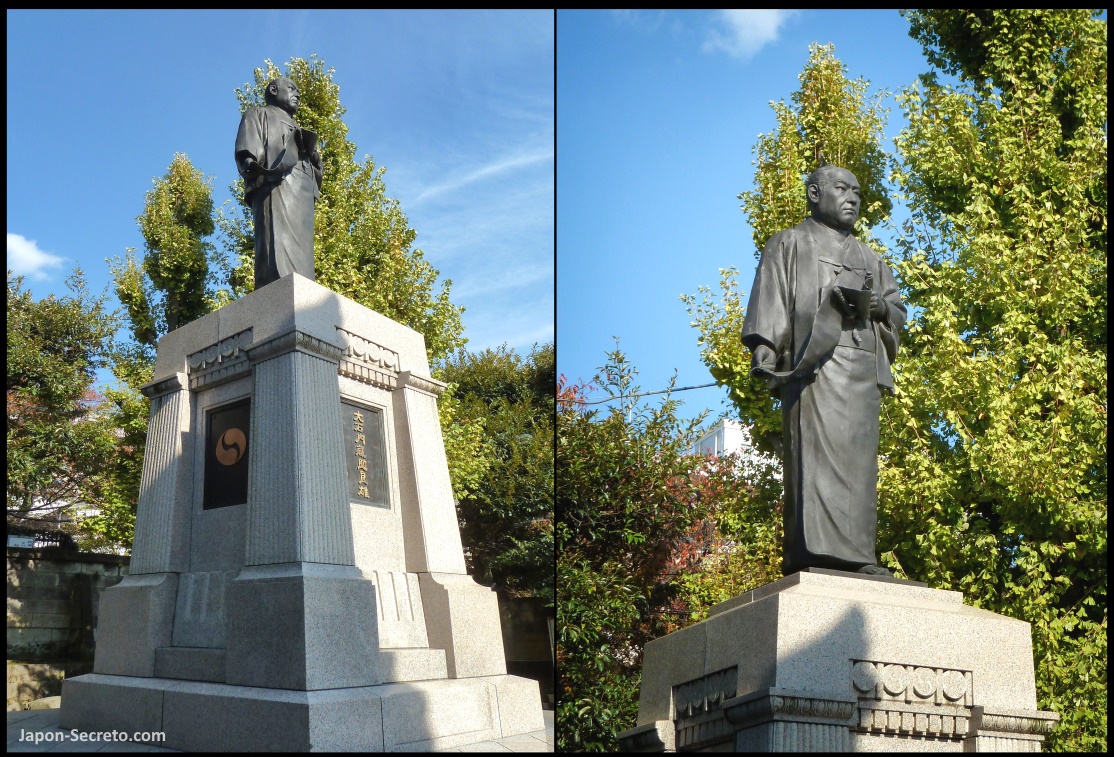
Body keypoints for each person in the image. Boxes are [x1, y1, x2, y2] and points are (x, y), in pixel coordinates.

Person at [741, 165, 906, 577]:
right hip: (813, 369)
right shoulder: (789, 244)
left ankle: (861, 553)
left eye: (857, 192)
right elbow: (772, 298)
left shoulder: (870, 258)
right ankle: (815, 553)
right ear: (814, 194)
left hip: (861, 370)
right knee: (813, 462)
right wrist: (765, 349)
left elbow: (896, 310)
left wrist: (878, 307)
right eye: (841, 189)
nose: (852, 198)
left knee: (860, 466)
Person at [234, 77, 323, 288]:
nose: (297, 94)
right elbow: (247, 151)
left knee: (303, 252)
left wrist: (314, 159)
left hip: (301, 190)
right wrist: (250, 163)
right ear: (274, 90)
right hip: (275, 186)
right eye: (292, 88)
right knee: (275, 245)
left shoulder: (298, 127)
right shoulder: (258, 114)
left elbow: (317, 173)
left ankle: (303, 290)